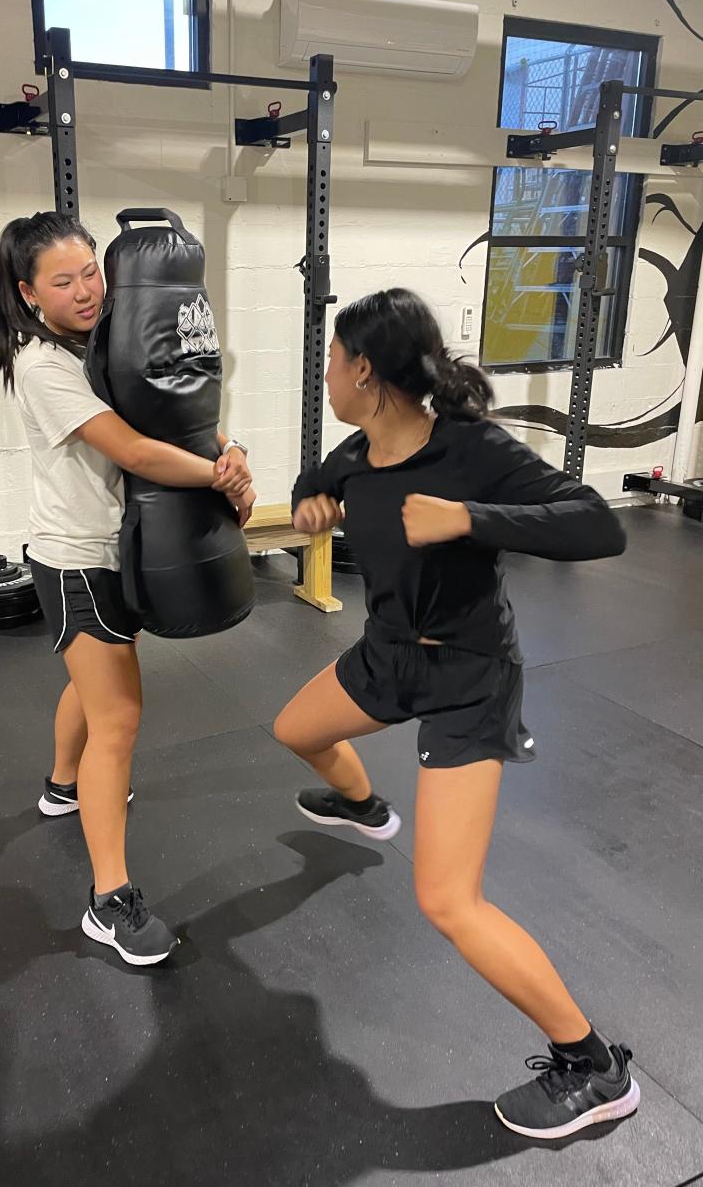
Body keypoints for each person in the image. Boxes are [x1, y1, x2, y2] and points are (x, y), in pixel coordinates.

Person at [273, 288, 638, 1139]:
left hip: (469, 678)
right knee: (296, 730)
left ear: (364, 370)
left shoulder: (472, 451)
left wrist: (469, 518)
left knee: (446, 900)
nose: (326, 373)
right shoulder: (358, 451)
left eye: (331, 360)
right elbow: (312, 481)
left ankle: (594, 1067)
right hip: (388, 654)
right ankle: (367, 806)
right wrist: (310, 505)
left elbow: (598, 526)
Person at [0, 211, 255, 967]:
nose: (85, 291)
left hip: (125, 543)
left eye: (91, 272)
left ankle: (63, 786)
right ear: (31, 294)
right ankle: (109, 902)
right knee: (121, 717)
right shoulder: (43, 365)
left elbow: (171, 406)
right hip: (78, 559)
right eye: (62, 282)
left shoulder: (108, 338)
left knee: (93, 676)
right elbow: (132, 446)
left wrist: (228, 450)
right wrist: (218, 476)